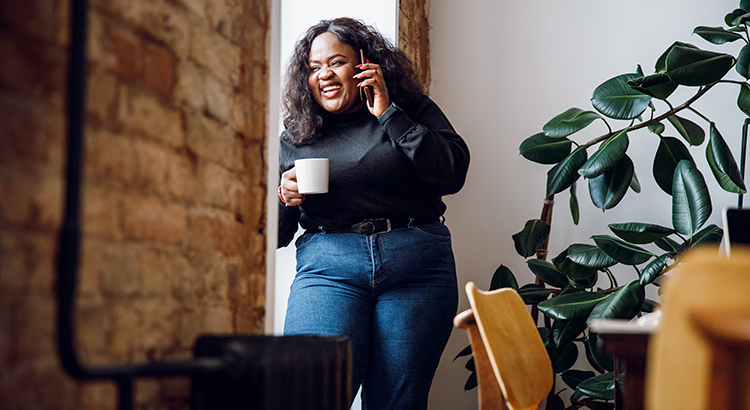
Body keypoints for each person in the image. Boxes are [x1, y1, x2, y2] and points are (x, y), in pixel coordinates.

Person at [277, 17, 470, 410]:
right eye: (314, 68)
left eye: (336, 62)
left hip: (416, 267)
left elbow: (452, 172)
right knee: (310, 393)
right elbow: (275, 236)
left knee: (396, 403)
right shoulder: (296, 136)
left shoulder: (409, 109)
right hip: (329, 268)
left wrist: (388, 113)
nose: (325, 75)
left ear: (365, 64)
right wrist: (283, 196)